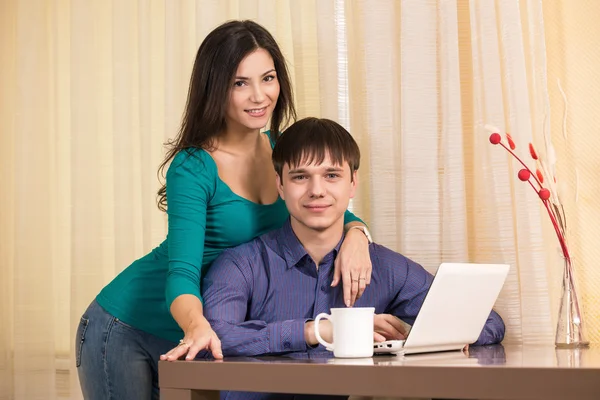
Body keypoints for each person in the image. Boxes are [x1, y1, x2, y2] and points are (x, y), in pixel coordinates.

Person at [76, 21, 373, 400]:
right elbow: (182, 271)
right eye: (239, 83)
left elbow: (321, 202)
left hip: (211, 330)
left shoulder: (283, 148)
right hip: (128, 325)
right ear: (215, 89)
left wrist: (357, 234)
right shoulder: (194, 166)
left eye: (267, 78)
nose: (258, 96)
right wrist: (197, 324)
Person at [201, 117, 505, 399]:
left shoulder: (384, 267)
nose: (316, 190)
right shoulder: (241, 265)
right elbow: (210, 340)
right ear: (280, 185)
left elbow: (490, 322)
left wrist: (422, 335)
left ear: (352, 183)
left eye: (331, 175)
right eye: (300, 177)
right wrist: (315, 331)